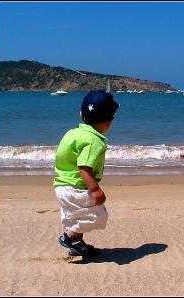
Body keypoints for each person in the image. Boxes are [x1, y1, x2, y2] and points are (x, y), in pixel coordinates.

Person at [53, 90, 120, 256]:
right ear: (109, 122)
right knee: (96, 216)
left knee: (76, 216)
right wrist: (95, 189)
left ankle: (76, 244)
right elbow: (84, 167)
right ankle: (70, 237)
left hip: (62, 185)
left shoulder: (73, 133)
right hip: (77, 187)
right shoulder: (94, 141)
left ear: (81, 114)